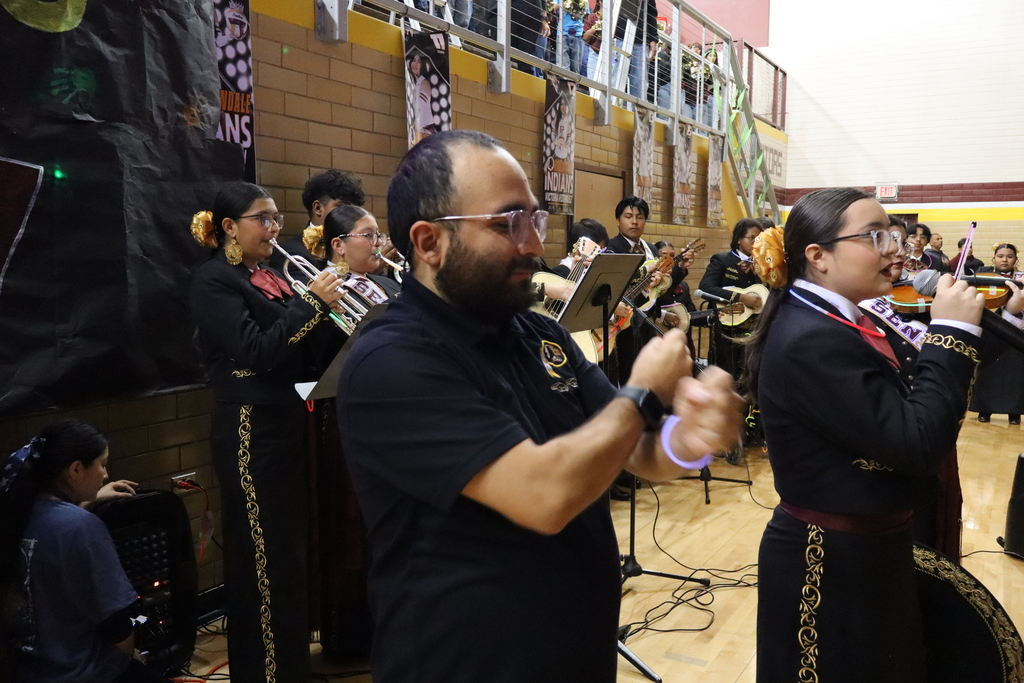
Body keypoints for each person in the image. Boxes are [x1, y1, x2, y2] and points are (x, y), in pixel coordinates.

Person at [337, 129, 744, 682]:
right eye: (509, 223)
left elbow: (633, 448)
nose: (533, 244)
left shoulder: (538, 333)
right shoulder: (392, 360)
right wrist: (645, 394)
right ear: (429, 243)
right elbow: (543, 495)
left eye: (535, 219)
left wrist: (687, 439)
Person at [746, 188, 985, 682]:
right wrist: (953, 334)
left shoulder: (839, 315)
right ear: (819, 256)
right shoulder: (813, 337)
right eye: (875, 237)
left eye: (894, 235)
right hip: (828, 557)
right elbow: (916, 441)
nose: (894, 249)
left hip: (867, 545)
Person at [189, 182, 345, 683]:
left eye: (277, 217)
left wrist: (340, 315)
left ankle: (291, 670)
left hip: (285, 424)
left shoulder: (272, 275)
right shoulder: (214, 281)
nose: (275, 228)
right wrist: (312, 304)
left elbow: (302, 349)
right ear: (229, 227)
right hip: (249, 430)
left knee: (289, 559)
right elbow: (256, 350)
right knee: (263, 562)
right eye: (264, 218)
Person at [0, 420, 169, 683]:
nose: (105, 475)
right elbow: (117, 626)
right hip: (86, 674)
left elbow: (53, 528)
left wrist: (89, 499)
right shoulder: (83, 528)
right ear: (76, 469)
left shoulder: (15, 513)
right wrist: (131, 655)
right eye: (102, 464)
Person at [698, 218, 763, 379]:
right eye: (751, 238)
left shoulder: (762, 264)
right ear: (739, 239)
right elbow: (706, 287)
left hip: (753, 328)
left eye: (759, 239)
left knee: (750, 373)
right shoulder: (722, 260)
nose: (755, 242)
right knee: (728, 373)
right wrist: (740, 298)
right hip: (727, 325)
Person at [269, 169, 365, 274]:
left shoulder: (362, 247)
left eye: (355, 210)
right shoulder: (290, 252)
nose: (352, 215)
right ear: (318, 208)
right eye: (342, 207)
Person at [970, 243, 1024, 425]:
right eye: (1000, 256)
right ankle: (984, 409)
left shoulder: (1021, 278)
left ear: (1015, 260)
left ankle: (1014, 411)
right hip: (990, 328)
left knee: (1016, 373)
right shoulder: (983, 275)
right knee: (987, 369)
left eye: (1009, 256)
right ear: (994, 258)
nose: (1005, 260)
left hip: (1015, 329)